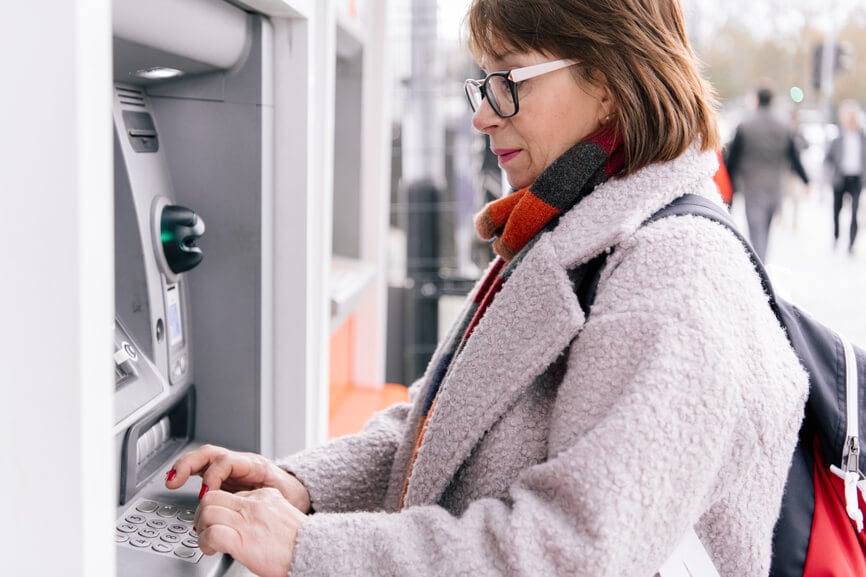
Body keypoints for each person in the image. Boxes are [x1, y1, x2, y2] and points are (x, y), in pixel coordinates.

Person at [166, 1, 809, 576]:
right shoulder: (576, 230)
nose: (482, 114)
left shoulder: (674, 277)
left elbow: (572, 553)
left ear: (609, 82)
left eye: (507, 82)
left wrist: (311, 546)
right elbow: (442, 429)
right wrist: (305, 485)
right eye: (483, 83)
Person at [724, 86, 810, 262]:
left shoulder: (745, 124)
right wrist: (806, 180)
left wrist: (728, 184)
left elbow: (732, 158)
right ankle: (762, 262)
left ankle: (759, 265)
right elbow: (794, 155)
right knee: (767, 228)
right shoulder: (784, 125)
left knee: (756, 229)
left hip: (752, 185)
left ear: (757, 99)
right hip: (776, 186)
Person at [825, 99, 866, 254]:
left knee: (855, 211)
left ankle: (851, 243)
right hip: (840, 178)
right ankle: (836, 237)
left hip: (856, 179)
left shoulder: (862, 138)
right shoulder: (838, 138)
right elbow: (828, 159)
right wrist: (829, 175)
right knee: (837, 211)